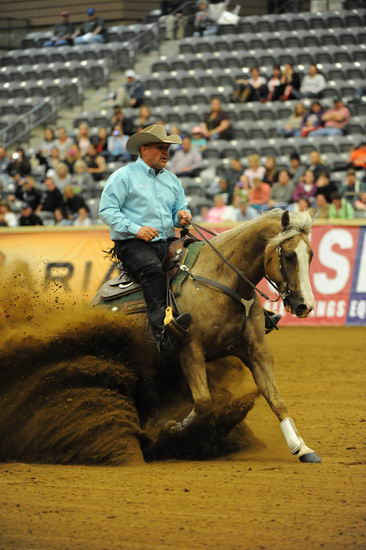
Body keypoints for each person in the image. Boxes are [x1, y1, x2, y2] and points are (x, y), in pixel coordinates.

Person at [99, 124, 192, 352]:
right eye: (160, 148)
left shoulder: (171, 180)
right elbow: (107, 210)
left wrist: (182, 217)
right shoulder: (123, 176)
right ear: (144, 149)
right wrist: (136, 229)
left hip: (166, 241)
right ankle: (162, 330)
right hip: (132, 244)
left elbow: (178, 211)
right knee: (152, 270)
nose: (165, 153)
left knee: (201, 254)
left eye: (167, 149)